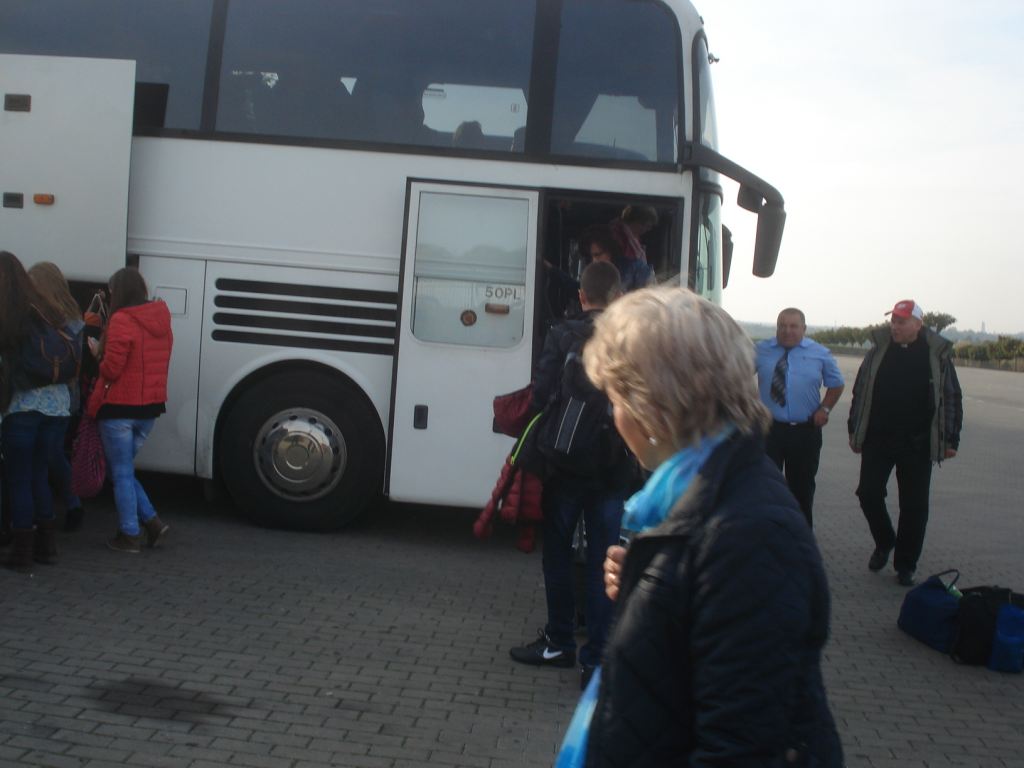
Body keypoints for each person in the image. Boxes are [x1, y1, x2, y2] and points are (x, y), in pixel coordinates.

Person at [577, 287, 843, 766]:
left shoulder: (750, 535)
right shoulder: (705, 494)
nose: (613, 416)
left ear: (652, 406)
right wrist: (651, 581)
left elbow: (742, 746)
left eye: (615, 398)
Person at [510, 261, 635, 688]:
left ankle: (560, 642)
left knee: (558, 554)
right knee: (605, 562)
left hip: (564, 464)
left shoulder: (563, 334)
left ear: (582, 296)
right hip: (614, 468)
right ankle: (597, 660)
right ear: (618, 297)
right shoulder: (633, 340)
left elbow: (542, 394)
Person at [848, 299, 963, 587]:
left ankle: (906, 564)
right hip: (878, 439)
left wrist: (951, 439)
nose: (895, 326)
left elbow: (951, 397)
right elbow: (860, 390)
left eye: (901, 321)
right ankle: (885, 540)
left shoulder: (936, 356)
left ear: (918, 324)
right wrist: (855, 430)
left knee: (914, 507)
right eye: (893, 321)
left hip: (917, 443)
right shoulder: (877, 352)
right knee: (868, 493)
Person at [86, 267, 174, 553]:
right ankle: (153, 523)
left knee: (121, 472)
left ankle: (130, 534)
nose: (110, 295)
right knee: (122, 470)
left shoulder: (123, 319)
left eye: (111, 291)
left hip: (119, 409)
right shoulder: (161, 318)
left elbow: (112, 369)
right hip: (149, 409)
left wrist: (97, 353)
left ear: (120, 291)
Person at [0, 251, 76, 571]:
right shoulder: (45, 308)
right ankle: (47, 546)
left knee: (18, 478)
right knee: (38, 475)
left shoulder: (9, 314)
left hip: (23, 406)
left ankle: (21, 552)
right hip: (57, 407)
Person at [755, 307, 844, 526]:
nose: (787, 331)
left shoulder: (820, 353)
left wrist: (825, 409)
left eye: (793, 326)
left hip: (805, 432)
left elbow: (836, 384)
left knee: (801, 491)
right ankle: (768, 537)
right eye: (782, 326)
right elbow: (737, 375)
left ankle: (801, 538)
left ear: (804, 328)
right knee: (765, 488)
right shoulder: (760, 350)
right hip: (768, 431)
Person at [28, 262, 87, 531]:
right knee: (52, 454)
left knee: (45, 457)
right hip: (67, 397)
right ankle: (70, 505)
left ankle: (57, 511)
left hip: (51, 397)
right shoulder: (74, 318)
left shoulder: (45, 318)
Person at [608, 205, 657, 291]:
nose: (648, 230)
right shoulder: (618, 235)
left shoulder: (634, 238)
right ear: (637, 221)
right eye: (647, 226)